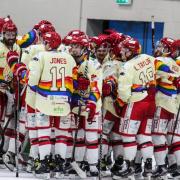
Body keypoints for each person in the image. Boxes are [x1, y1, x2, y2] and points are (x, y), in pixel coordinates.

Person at [113, 39, 156, 179]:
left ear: (130, 51)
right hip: (151, 101)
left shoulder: (127, 66)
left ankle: (130, 166)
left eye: (124, 49)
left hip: (136, 103)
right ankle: (148, 167)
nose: (121, 51)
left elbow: (124, 92)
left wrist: (120, 103)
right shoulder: (148, 58)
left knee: (127, 135)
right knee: (144, 135)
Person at [68, 34, 102, 177]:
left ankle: (93, 166)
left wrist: (92, 103)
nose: (73, 49)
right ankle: (79, 163)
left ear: (84, 49)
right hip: (74, 104)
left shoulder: (93, 64)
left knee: (91, 135)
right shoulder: (68, 61)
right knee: (78, 135)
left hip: (90, 103)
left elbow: (97, 86)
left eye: (77, 47)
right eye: (72, 46)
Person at [152, 37, 180, 179]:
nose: (159, 47)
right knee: (173, 137)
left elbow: (153, 80)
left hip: (162, 102)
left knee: (157, 135)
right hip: (174, 104)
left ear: (168, 49)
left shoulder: (159, 61)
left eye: (162, 46)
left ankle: (161, 166)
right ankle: (177, 166)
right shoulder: (176, 63)